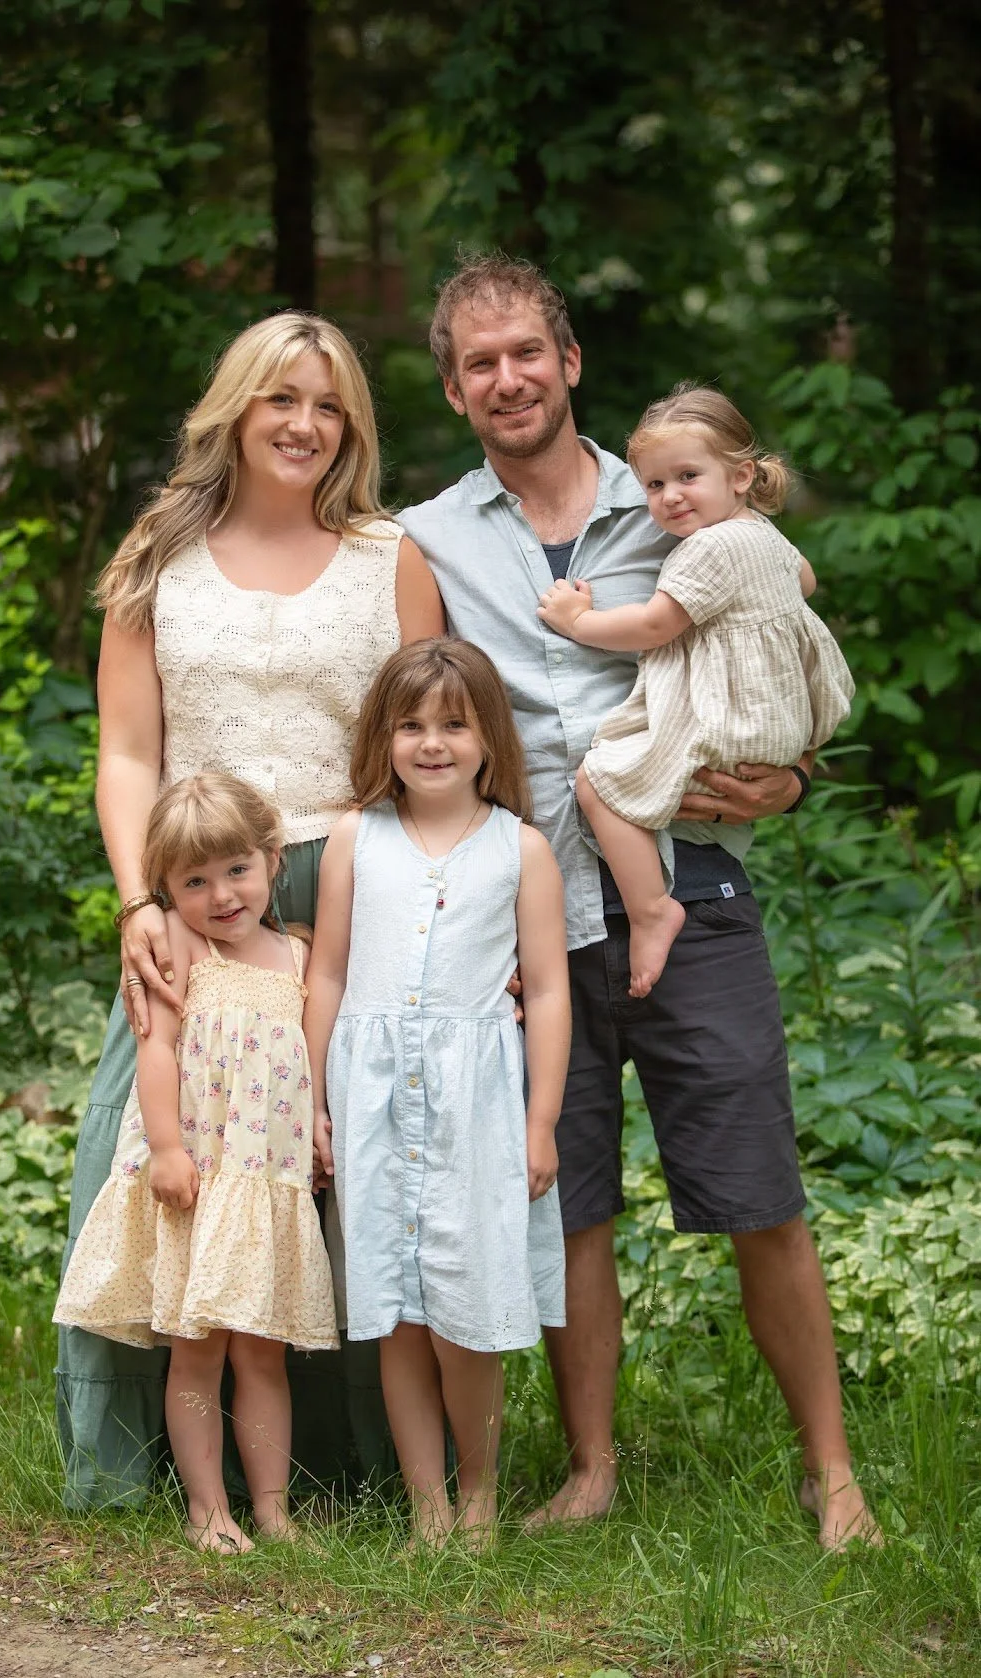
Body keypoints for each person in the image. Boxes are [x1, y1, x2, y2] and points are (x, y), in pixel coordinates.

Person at [398, 255, 880, 1549]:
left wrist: (786, 781)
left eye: (525, 352)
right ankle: (592, 1464)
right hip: (524, 922)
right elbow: (410, 728)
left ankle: (831, 1475)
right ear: (454, 390)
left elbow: (780, 646)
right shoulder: (430, 540)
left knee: (757, 1183)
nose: (506, 377)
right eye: (477, 361)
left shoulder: (680, 498)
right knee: (571, 1197)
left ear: (567, 363)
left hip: (691, 888)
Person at [57, 309, 445, 1509]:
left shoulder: (391, 557)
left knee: (332, 1162)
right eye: (282, 397)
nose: (305, 424)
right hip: (192, 888)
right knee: (148, 1148)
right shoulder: (155, 557)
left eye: (330, 405)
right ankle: (140, 1463)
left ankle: (343, 1469)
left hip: (341, 882)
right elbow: (128, 751)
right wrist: (139, 905)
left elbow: (421, 746)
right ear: (236, 407)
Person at [303, 639, 570, 1544]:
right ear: (383, 737)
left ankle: (481, 1496)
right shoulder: (356, 838)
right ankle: (426, 1508)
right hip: (374, 1099)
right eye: (410, 724)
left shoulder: (521, 849)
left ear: (488, 737)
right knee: (396, 1316)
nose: (431, 743)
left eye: (454, 724)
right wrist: (316, 1103)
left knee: (468, 1316)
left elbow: (551, 990)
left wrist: (541, 1123)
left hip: (477, 1111)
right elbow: (330, 977)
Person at [55, 774, 337, 1550]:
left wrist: (316, 1119)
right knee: (197, 1356)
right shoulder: (181, 946)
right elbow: (158, 1052)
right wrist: (169, 1149)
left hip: (266, 1188)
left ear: (273, 860)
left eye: (237, 870)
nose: (221, 895)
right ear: (165, 891)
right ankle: (207, 1510)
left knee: (265, 1356)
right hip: (201, 1184)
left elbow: (306, 1059)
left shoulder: (298, 954)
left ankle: (273, 1509)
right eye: (195, 881)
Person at [537, 383, 854, 999]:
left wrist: (577, 621)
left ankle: (653, 908)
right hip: (782, 721)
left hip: (728, 723)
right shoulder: (763, 534)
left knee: (597, 785)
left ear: (740, 476)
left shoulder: (707, 548)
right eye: (654, 485)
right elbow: (806, 582)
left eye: (687, 476)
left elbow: (655, 625)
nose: (670, 496)